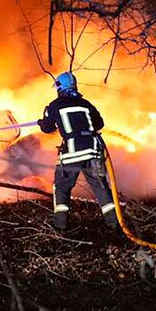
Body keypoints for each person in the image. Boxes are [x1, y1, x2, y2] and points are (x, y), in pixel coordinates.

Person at [37, 72, 118, 231]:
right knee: (101, 186)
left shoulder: (54, 105)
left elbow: (47, 128)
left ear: (59, 88)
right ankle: (115, 223)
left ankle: (60, 225)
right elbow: (99, 124)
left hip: (72, 153)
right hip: (93, 150)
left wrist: (42, 121)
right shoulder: (86, 104)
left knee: (62, 186)